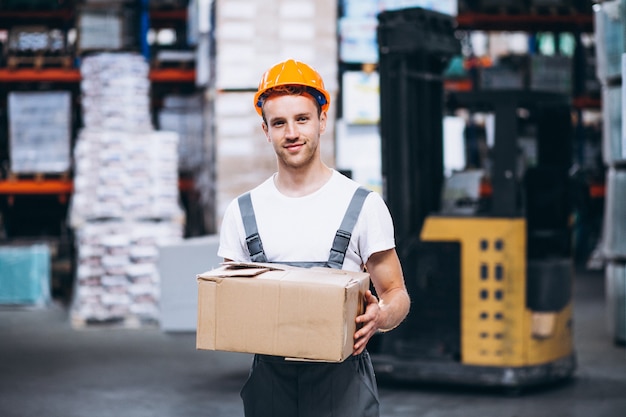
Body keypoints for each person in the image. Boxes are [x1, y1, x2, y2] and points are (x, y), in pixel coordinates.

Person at [217, 58, 411, 417]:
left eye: (302, 119)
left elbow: (397, 294)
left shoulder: (363, 206)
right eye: (279, 123)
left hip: (342, 383)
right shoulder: (243, 213)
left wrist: (380, 317)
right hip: (270, 385)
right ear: (266, 130)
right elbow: (234, 303)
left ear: (322, 120)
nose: (291, 133)